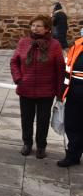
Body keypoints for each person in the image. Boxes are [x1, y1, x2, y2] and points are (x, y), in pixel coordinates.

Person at [10, 15, 65, 159]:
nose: (35, 28)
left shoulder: (55, 45)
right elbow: (14, 62)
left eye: (38, 26)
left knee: (43, 120)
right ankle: (27, 143)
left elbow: (60, 69)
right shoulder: (24, 42)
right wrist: (18, 79)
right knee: (26, 119)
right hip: (25, 88)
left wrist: (60, 93)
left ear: (47, 28)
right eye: (33, 25)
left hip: (46, 91)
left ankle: (41, 146)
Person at [58, 28, 83, 167]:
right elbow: (68, 68)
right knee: (72, 125)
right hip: (74, 93)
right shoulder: (77, 45)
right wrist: (63, 91)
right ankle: (73, 155)